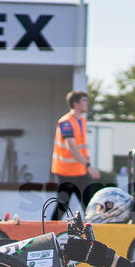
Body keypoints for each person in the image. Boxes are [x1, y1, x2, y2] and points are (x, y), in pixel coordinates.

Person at [51, 90, 100, 219]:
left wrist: (86, 166)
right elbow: (71, 147)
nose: (87, 103)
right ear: (75, 103)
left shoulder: (82, 121)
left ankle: (94, 234)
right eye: (84, 100)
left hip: (79, 171)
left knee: (88, 205)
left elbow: (81, 147)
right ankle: (49, 234)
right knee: (62, 206)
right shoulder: (66, 122)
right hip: (66, 172)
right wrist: (89, 166)